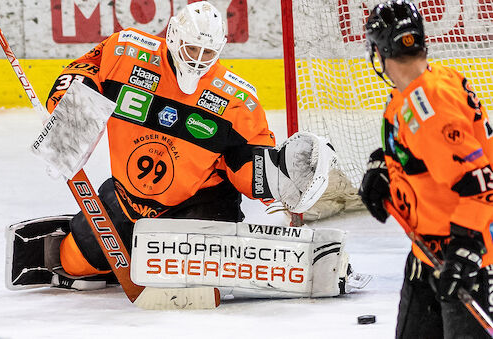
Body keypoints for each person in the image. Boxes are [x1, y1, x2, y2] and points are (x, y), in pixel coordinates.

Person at [38, 2, 335, 283]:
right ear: (172, 36)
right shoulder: (125, 53)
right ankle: (126, 258)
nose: (196, 59)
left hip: (201, 205)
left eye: (207, 53)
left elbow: (248, 165)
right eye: (191, 47)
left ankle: (160, 258)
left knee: (191, 277)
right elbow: (84, 69)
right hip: (129, 199)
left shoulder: (237, 101)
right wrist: (70, 101)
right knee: (72, 262)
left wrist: (274, 179)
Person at [360, 0, 493, 337]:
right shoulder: (421, 88)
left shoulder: (430, 108)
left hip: (464, 260)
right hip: (427, 254)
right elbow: (416, 153)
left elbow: (481, 184)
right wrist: (383, 168)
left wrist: (466, 251)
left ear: (379, 51)